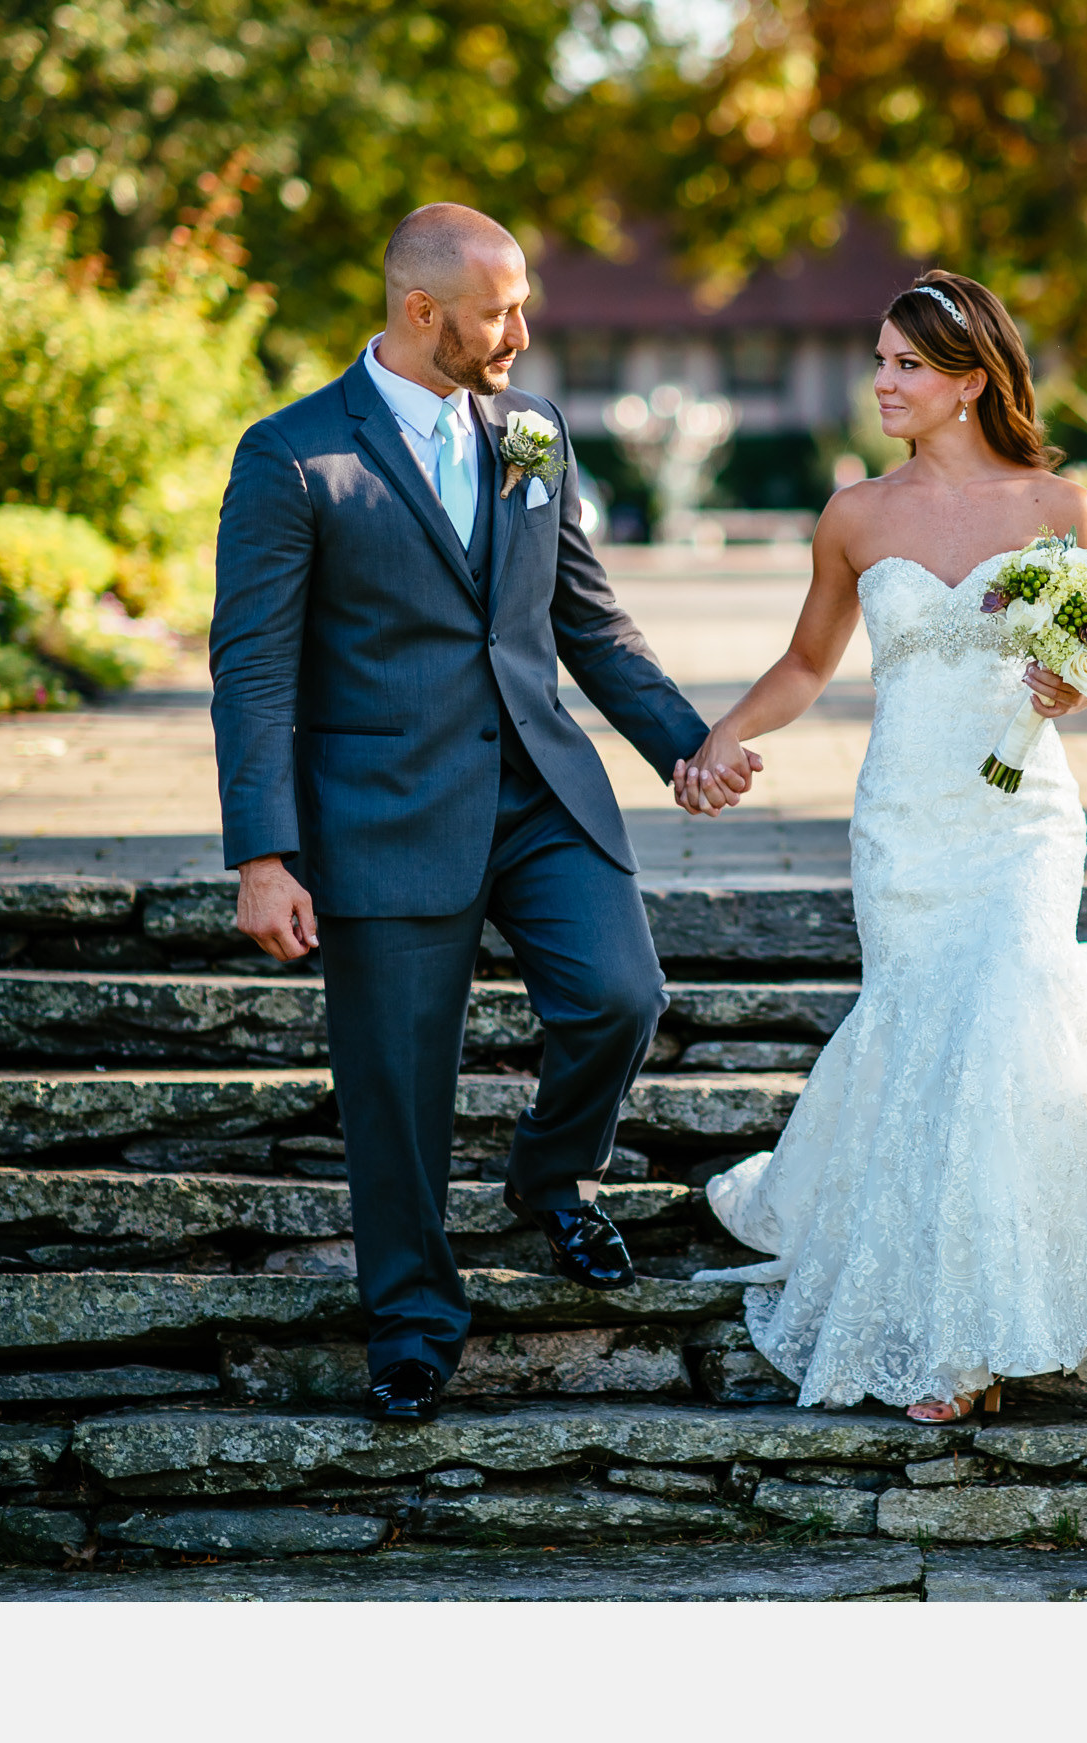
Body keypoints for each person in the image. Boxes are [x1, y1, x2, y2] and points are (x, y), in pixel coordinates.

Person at [679, 271, 1087, 1422]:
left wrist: (1072, 682)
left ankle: (977, 1343)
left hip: (1022, 815)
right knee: (928, 1034)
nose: (882, 381)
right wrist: (716, 741)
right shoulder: (856, 514)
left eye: (907, 365)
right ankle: (954, 1316)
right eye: (880, 358)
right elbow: (804, 667)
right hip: (903, 823)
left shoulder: (1061, 510)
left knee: (1003, 1027)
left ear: (972, 382)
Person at [208, 203, 757, 1425]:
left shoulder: (532, 432)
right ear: (421, 313)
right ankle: (411, 1324)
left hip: (541, 790)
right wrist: (263, 852)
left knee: (622, 995)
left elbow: (588, 619)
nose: (523, 329)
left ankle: (554, 1178)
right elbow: (251, 670)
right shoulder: (294, 457)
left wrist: (686, 745)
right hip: (382, 814)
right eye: (500, 309)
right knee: (398, 1087)